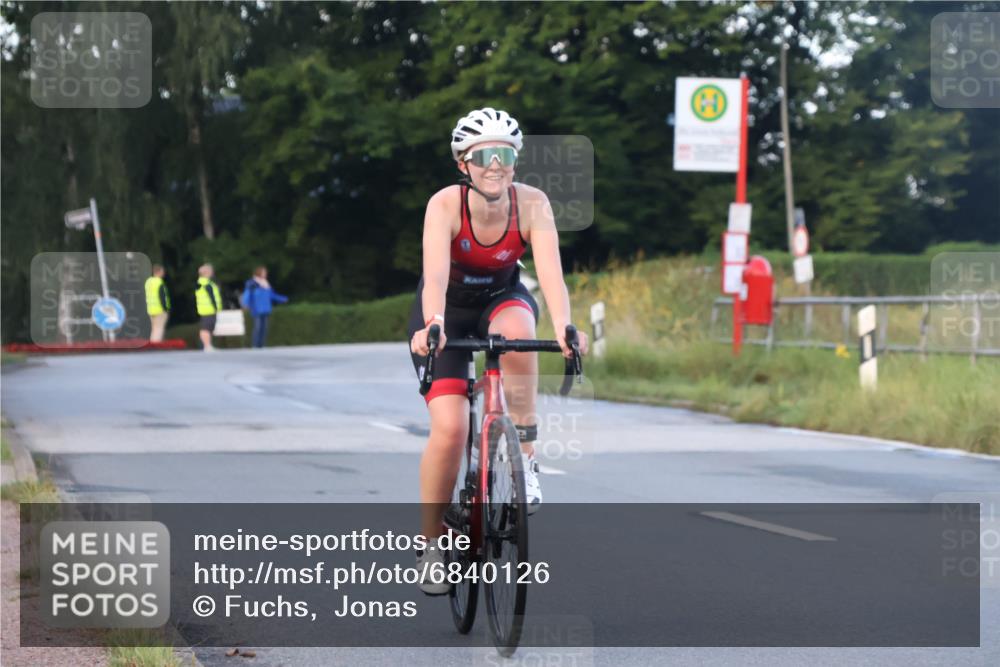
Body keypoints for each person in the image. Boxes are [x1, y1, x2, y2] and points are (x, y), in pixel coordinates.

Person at [407, 107, 588, 594]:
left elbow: (550, 274)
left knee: (518, 335)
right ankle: (430, 544)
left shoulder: (532, 203)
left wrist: (568, 327)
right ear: (463, 163)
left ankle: (524, 459)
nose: (495, 164)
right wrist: (434, 324)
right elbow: (436, 276)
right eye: (484, 155)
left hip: (501, 299)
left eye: (505, 154)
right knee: (451, 427)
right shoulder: (445, 205)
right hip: (446, 311)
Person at [241, 266, 289, 348]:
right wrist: (245, 304)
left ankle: (261, 345)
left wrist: (283, 299)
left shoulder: (266, 284)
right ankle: (255, 345)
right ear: (259, 273)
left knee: (264, 328)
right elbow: (247, 294)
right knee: (257, 327)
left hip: (266, 309)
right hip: (257, 309)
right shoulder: (252, 283)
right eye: (264, 272)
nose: (265, 274)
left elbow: (271, 295)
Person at [194, 264, 222, 352]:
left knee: (208, 328)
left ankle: (208, 345)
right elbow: (211, 296)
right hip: (208, 309)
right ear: (207, 272)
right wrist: (215, 307)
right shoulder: (205, 283)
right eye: (211, 271)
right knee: (206, 328)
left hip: (206, 308)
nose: (212, 272)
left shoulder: (202, 282)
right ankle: (207, 346)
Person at [144, 264, 171, 343]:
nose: (164, 273)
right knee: (159, 328)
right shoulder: (159, 282)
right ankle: (156, 345)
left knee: (154, 329)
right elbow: (162, 297)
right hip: (160, 309)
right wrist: (165, 308)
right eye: (162, 271)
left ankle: (152, 344)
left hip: (151, 309)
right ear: (159, 272)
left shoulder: (148, 282)